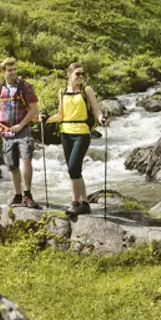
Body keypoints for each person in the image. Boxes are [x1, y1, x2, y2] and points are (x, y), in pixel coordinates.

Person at [41, 62, 105, 216]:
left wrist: (101, 119)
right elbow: (60, 115)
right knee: (75, 170)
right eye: (78, 74)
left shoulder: (87, 90)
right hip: (65, 133)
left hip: (82, 133)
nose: (81, 76)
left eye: (82, 73)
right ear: (69, 74)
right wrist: (46, 119)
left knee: (73, 168)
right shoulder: (62, 91)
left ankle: (75, 202)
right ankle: (85, 203)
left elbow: (96, 111)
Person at [0, 58, 41, 208]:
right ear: (3, 72)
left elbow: (34, 108)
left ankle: (27, 195)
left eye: (15, 69)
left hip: (23, 130)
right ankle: (17, 195)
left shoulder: (25, 86)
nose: (13, 72)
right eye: (10, 70)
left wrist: (21, 125)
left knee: (26, 160)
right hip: (6, 132)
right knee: (12, 166)